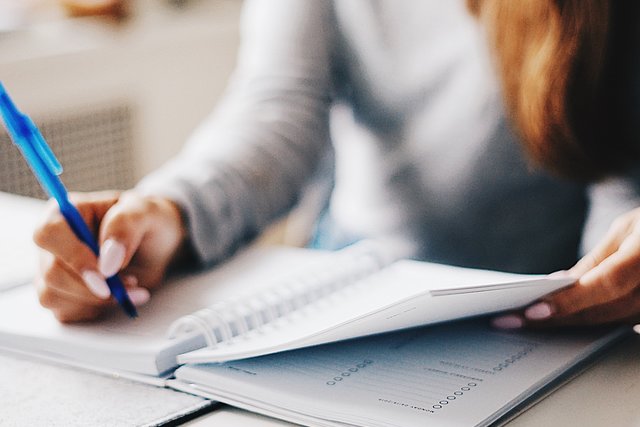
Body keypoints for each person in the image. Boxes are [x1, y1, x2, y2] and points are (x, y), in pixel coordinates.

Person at [32, 0, 640, 328]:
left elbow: (622, 169)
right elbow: (278, 109)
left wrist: (607, 293)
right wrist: (168, 210)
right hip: (352, 296)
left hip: (546, 309)